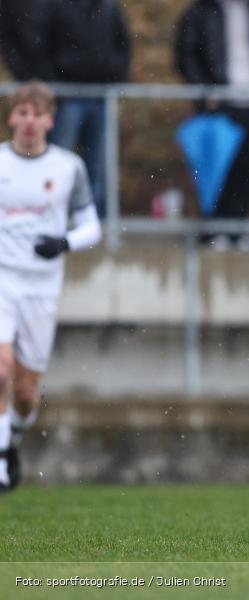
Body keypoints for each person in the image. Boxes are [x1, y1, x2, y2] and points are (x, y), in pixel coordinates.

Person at [0, 81, 102, 492]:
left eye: (37, 114)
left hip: (42, 287)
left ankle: (13, 433)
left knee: (26, 394)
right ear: (12, 117)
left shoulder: (67, 168)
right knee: (0, 369)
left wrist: (64, 242)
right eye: (23, 113)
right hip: (3, 277)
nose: (29, 122)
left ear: (50, 121)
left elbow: (92, 226)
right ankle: (1, 461)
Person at [175, 0, 249, 251]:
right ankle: (214, 228)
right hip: (218, 101)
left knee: (246, 166)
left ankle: (238, 229)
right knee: (216, 166)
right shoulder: (201, 12)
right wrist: (205, 89)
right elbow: (185, 54)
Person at [45, 0, 132, 219]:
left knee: (99, 164)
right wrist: (57, 83)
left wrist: (116, 77)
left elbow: (124, 45)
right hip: (68, 95)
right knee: (59, 160)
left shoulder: (109, 7)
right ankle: (54, 215)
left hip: (102, 96)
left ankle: (95, 220)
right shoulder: (59, 8)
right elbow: (44, 45)